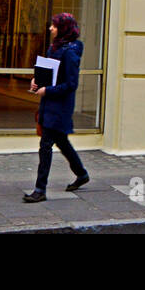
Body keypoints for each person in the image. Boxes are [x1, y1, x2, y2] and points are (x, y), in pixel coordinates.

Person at [23, 12, 90, 202]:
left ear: (63, 29)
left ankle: (40, 189)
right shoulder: (55, 47)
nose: (50, 28)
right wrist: (37, 81)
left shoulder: (69, 53)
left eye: (54, 25)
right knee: (61, 141)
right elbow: (49, 73)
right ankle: (82, 174)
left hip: (59, 106)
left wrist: (48, 91)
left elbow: (71, 84)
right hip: (50, 103)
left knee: (45, 145)